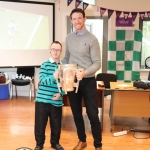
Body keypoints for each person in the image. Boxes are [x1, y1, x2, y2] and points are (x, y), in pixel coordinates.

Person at [61, 8, 102, 150]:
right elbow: (66, 57)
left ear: (84, 19)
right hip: (72, 82)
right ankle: (82, 141)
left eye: (79, 18)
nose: (77, 21)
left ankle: (98, 145)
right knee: (76, 113)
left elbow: (97, 63)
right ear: (71, 21)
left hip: (88, 81)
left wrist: (85, 72)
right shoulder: (69, 38)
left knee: (93, 114)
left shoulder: (92, 39)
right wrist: (60, 67)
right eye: (74, 19)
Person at [34, 41, 65, 150]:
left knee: (56, 125)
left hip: (56, 101)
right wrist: (53, 76)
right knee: (40, 125)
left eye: (58, 50)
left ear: (61, 51)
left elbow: (66, 85)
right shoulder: (44, 65)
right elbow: (42, 81)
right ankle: (39, 144)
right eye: (53, 49)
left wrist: (61, 94)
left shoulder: (63, 67)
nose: (56, 52)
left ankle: (55, 143)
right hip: (42, 101)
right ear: (50, 50)